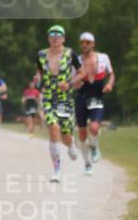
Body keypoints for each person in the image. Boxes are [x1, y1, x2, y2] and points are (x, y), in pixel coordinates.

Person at [36, 24, 81, 183]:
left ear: (63, 39)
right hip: (48, 97)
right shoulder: (41, 54)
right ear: (48, 38)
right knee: (53, 128)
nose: (55, 38)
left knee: (66, 135)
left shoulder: (70, 54)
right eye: (52, 35)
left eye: (58, 35)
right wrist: (37, 80)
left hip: (65, 98)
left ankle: (71, 145)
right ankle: (57, 170)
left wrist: (70, 83)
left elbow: (81, 73)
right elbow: (40, 72)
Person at [73, 32, 115, 175]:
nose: (84, 45)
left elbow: (111, 74)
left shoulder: (103, 58)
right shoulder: (76, 61)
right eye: (82, 43)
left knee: (95, 127)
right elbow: (73, 81)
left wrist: (109, 84)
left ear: (93, 44)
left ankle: (95, 147)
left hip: (96, 97)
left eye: (87, 42)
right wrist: (75, 83)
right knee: (82, 134)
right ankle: (87, 164)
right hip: (81, 98)